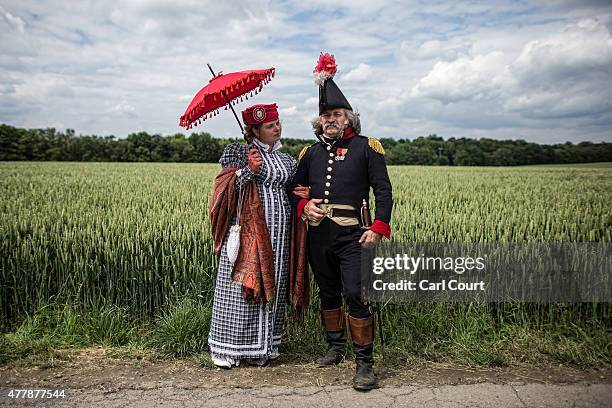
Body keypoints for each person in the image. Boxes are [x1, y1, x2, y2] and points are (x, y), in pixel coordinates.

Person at [290, 53, 393, 390]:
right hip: (320, 237)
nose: (330, 120)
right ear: (319, 121)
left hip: (354, 236)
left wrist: (379, 227)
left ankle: (365, 364)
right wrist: (304, 206)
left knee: (356, 294)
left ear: (348, 118)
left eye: (336, 114)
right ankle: (335, 348)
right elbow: (292, 188)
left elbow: (383, 189)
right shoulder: (310, 153)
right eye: (325, 115)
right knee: (329, 292)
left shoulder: (368, 147)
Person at [208, 103, 308, 368]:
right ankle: (229, 350)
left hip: (280, 235)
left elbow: (290, 188)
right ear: (254, 130)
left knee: (273, 284)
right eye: (269, 126)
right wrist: (248, 171)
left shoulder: (286, 159)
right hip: (250, 235)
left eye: (277, 123)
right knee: (242, 288)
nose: (277, 129)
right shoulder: (238, 153)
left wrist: (300, 193)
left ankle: (263, 348)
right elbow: (225, 191)